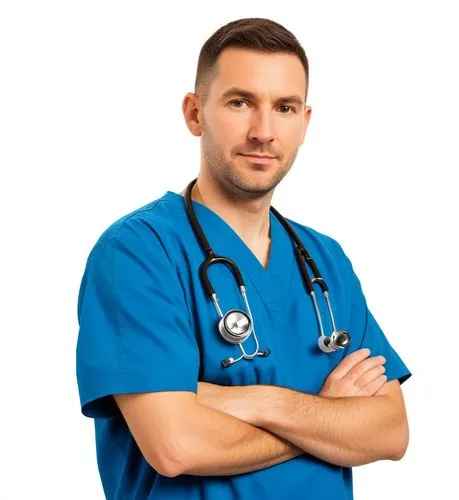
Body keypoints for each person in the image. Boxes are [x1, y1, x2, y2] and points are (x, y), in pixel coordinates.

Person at [76, 17, 412, 499]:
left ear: (305, 122)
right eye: (240, 102)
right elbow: (176, 445)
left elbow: (390, 432)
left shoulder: (326, 261)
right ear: (195, 113)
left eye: (285, 107)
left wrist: (256, 402)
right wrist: (327, 417)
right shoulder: (138, 252)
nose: (264, 131)